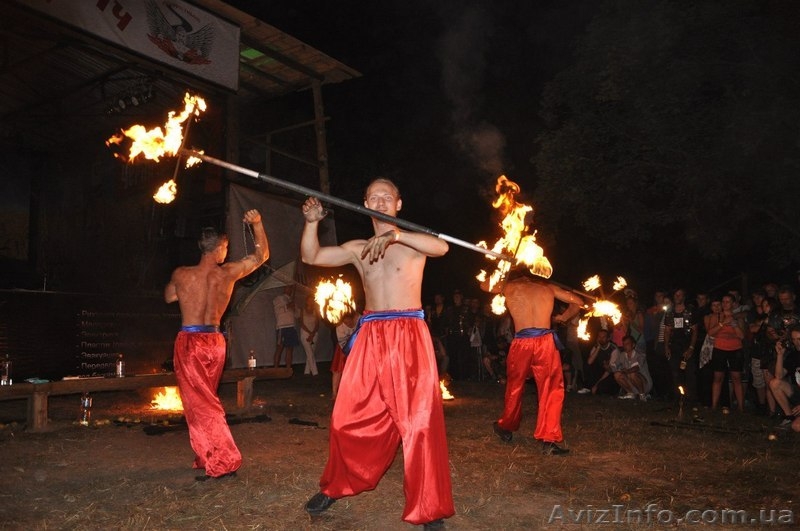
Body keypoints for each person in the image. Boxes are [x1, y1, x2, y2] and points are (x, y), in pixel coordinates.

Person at [300, 179, 454, 529]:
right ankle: (337, 485)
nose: (381, 201)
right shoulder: (358, 247)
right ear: (364, 202)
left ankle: (429, 506)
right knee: (345, 418)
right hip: (369, 333)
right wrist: (311, 223)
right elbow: (312, 256)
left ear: (399, 204)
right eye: (374, 197)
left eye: (387, 197)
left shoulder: (413, 242)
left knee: (418, 424)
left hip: (408, 331)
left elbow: (442, 247)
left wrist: (398, 236)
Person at [163, 210, 269, 480]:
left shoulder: (182, 274)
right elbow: (261, 256)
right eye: (226, 247)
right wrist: (257, 225)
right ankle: (207, 454)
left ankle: (224, 460)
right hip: (215, 341)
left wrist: (187, 292)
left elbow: (169, 297)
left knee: (201, 404)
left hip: (190, 342)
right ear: (219, 248)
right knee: (204, 400)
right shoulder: (229, 273)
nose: (227, 252)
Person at [481, 267, 582, 455]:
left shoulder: (509, 286)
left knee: (514, 387)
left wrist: (502, 266)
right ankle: (548, 439)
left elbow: (484, 284)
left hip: (522, 343)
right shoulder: (548, 287)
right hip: (545, 343)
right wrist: (562, 317)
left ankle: (506, 427)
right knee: (551, 389)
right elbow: (578, 302)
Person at [707, 294, 747, 412]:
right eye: (723, 301)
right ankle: (714, 406)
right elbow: (710, 332)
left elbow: (741, 335)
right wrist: (723, 323)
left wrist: (733, 324)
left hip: (735, 349)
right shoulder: (717, 316)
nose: (725, 304)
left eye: (728, 302)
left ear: (733, 303)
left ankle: (741, 407)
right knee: (718, 378)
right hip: (720, 348)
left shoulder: (738, 318)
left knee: (736, 378)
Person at [664, 288, 698, 402]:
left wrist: (691, 347)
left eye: (680, 295)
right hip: (674, 346)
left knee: (689, 373)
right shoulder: (670, 312)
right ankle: (677, 397)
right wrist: (666, 347)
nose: (677, 297)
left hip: (687, 345)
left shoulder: (690, 310)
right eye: (676, 295)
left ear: (684, 297)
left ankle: (690, 399)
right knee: (675, 373)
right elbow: (667, 330)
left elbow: (695, 330)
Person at [769, 325, 800, 431]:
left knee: (797, 427)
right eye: (794, 339)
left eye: (799, 339)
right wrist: (780, 355)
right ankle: (789, 417)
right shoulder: (794, 355)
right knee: (775, 383)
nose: (797, 343)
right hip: (797, 392)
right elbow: (778, 376)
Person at [581, 328, 621, 396]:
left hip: (611, 374)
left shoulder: (613, 349)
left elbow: (610, 370)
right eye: (599, 337)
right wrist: (598, 348)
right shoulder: (596, 346)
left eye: (603, 337)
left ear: (608, 338)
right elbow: (589, 362)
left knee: (601, 389)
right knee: (587, 365)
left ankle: (598, 387)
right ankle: (588, 387)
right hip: (601, 371)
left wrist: (597, 384)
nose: (601, 339)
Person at [611, 335, 653, 400]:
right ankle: (630, 393)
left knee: (632, 374)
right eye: (624, 344)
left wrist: (626, 371)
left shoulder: (640, 354)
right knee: (616, 374)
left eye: (627, 344)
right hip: (632, 383)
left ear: (633, 345)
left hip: (645, 384)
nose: (625, 346)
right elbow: (614, 366)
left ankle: (642, 395)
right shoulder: (622, 355)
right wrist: (608, 366)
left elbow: (636, 368)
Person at [331, 310, 359, 400]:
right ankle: (334, 393)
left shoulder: (360, 320)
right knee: (338, 370)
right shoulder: (340, 327)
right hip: (343, 348)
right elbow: (343, 344)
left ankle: (355, 392)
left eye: (350, 322)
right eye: (346, 322)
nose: (348, 324)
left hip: (359, 347)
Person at [272, 284, 299, 368]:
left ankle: (288, 369)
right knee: (280, 348)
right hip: (282, 327)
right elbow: (278, 310)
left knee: (290, 348)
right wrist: (288, 306)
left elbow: (297, 315)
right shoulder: (278, 298)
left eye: (291, 287)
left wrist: (295, 308)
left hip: (291, 326)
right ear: (284, 288)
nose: (289, 289)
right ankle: (275, 369)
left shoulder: (292, 300)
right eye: (288, 287)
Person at [299, 294, 321, 376]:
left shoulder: (316, 311)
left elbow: (317, 324)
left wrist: (313, 333)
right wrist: (309, 333)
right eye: (309, 300)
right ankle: (315, 372)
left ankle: (307, 371)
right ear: (306, 301)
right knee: (309, 352)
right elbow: (301, 323)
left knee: (311, 353)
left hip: (314, 334)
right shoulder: (302, 310)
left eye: (312, 300)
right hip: (305, 333)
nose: (311, 302)